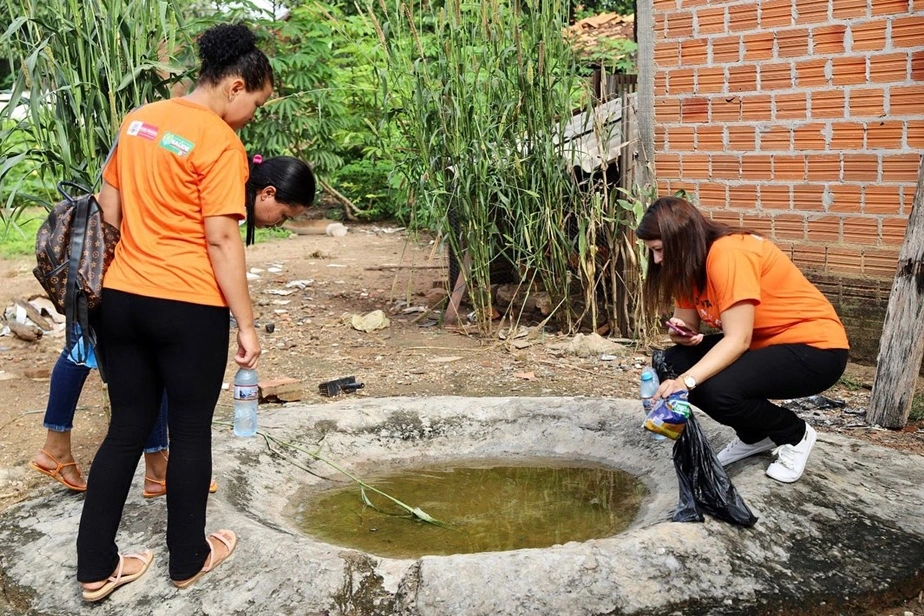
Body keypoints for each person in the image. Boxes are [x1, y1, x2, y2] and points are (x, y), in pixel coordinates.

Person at [75, 24, 286, 602]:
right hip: (188, 307)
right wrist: (245, 324)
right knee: (190, 432)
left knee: (126, 428)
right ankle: (188, 559)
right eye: (256, 104)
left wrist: (122, 282)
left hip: (120, 300)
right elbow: (221, 239)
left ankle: (95, 568)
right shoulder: (220, 143)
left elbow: (108, 212)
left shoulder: (138, 120)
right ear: (236, 86)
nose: (251, 116)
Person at [29, 154, 315, 497]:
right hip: (121, 271)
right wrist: (243, 323)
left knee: (129, 359)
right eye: (284, 215)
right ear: (267, 193)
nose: (279, 223)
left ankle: (154, 464)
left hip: (133, 276)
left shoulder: (222, 189)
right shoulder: (217, 187)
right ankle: (59, 449)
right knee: (82, 351)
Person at [635, 196, 849, 484]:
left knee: (715, 389)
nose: (657, 261)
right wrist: (680, 333)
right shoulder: (688, 266)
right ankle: (755, 436)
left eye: (660, 250)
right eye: (653, 252)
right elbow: (687, 323)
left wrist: (686, 381)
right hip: (764, 344)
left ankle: (795, 434)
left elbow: (738, 339)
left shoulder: (729, 254)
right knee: (672, 363)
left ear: (681, 240)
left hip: (816, 350)